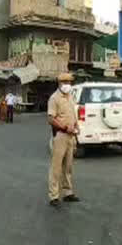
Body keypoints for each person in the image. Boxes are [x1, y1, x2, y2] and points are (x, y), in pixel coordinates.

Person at [47, 73, 80, 207]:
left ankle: (68, 192)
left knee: (68, 166)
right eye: (65, 82)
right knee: (56, 167)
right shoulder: (54, 98)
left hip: (71, 135)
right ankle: (54, 195)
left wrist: (76, 125)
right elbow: (50, 119)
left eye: (69, 82)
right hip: (60, 135)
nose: (68, 84)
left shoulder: (70, 97)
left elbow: (73, 114)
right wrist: (65, 128)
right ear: (59, 83)